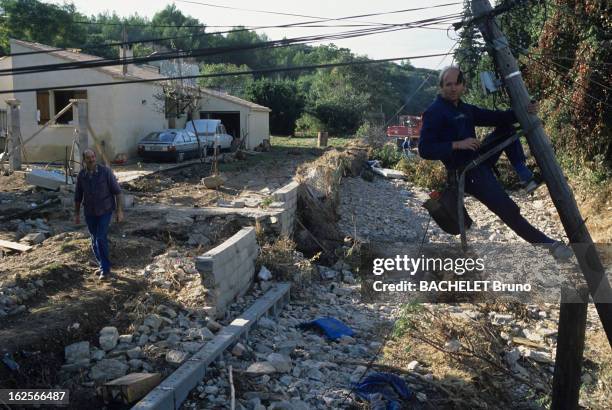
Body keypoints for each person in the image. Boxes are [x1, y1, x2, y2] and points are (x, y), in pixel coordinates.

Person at [418, 66, 571, 259]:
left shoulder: (465, 109)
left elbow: (497, 117)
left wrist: (525, 109)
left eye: (457, 83)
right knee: (508, 210)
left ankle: (524, 174)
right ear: (441, 87)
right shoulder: (435, 112)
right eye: (448, 84)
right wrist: (457, 144)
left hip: (479, 159)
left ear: (463, 85)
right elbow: (425, 149)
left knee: (506, 126)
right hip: (466, 173)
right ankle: (550, 246)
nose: (453, 88)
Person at [74, 149, 123, 280]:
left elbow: (117, 192)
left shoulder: (105, 172)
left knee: (100, 238)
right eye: (88, 157)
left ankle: (105, 270)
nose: (91, 159)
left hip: (105, 210)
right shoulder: (82, 175)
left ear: (95, 157)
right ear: (84, 160)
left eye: (93, 157)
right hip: (89, 212)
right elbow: (78, 196)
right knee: (94, 239)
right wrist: (77, 214)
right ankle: (102, 265)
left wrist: (119, 211)